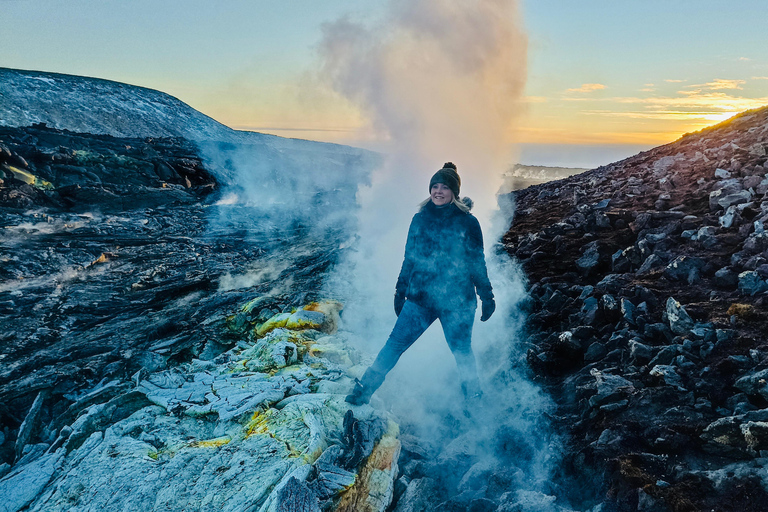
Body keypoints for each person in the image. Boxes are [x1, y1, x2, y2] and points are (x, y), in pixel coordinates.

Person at [346, 162, 495, 406]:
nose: (438, 191)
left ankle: (474, 397)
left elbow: (477, 261)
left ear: (454, 193)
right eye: (434, 186)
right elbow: (410, 258)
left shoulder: (468, 222)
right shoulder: (419, 219)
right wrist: (399, 290)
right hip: (421, 298)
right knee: (394, 344)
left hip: (457, 302)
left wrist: (487, 296)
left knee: (462, 352)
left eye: (444, 187)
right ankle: (364, 390)